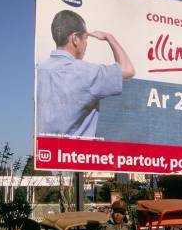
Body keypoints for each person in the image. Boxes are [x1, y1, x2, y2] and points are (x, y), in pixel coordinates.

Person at [37, 9, 135, 138]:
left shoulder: (39, 71)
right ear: (75, 39)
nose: (86, 43)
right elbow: (128, 69)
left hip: (43, 153)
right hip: (74, 155)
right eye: (85, 38)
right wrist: (110, 38)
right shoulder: (85, 73)